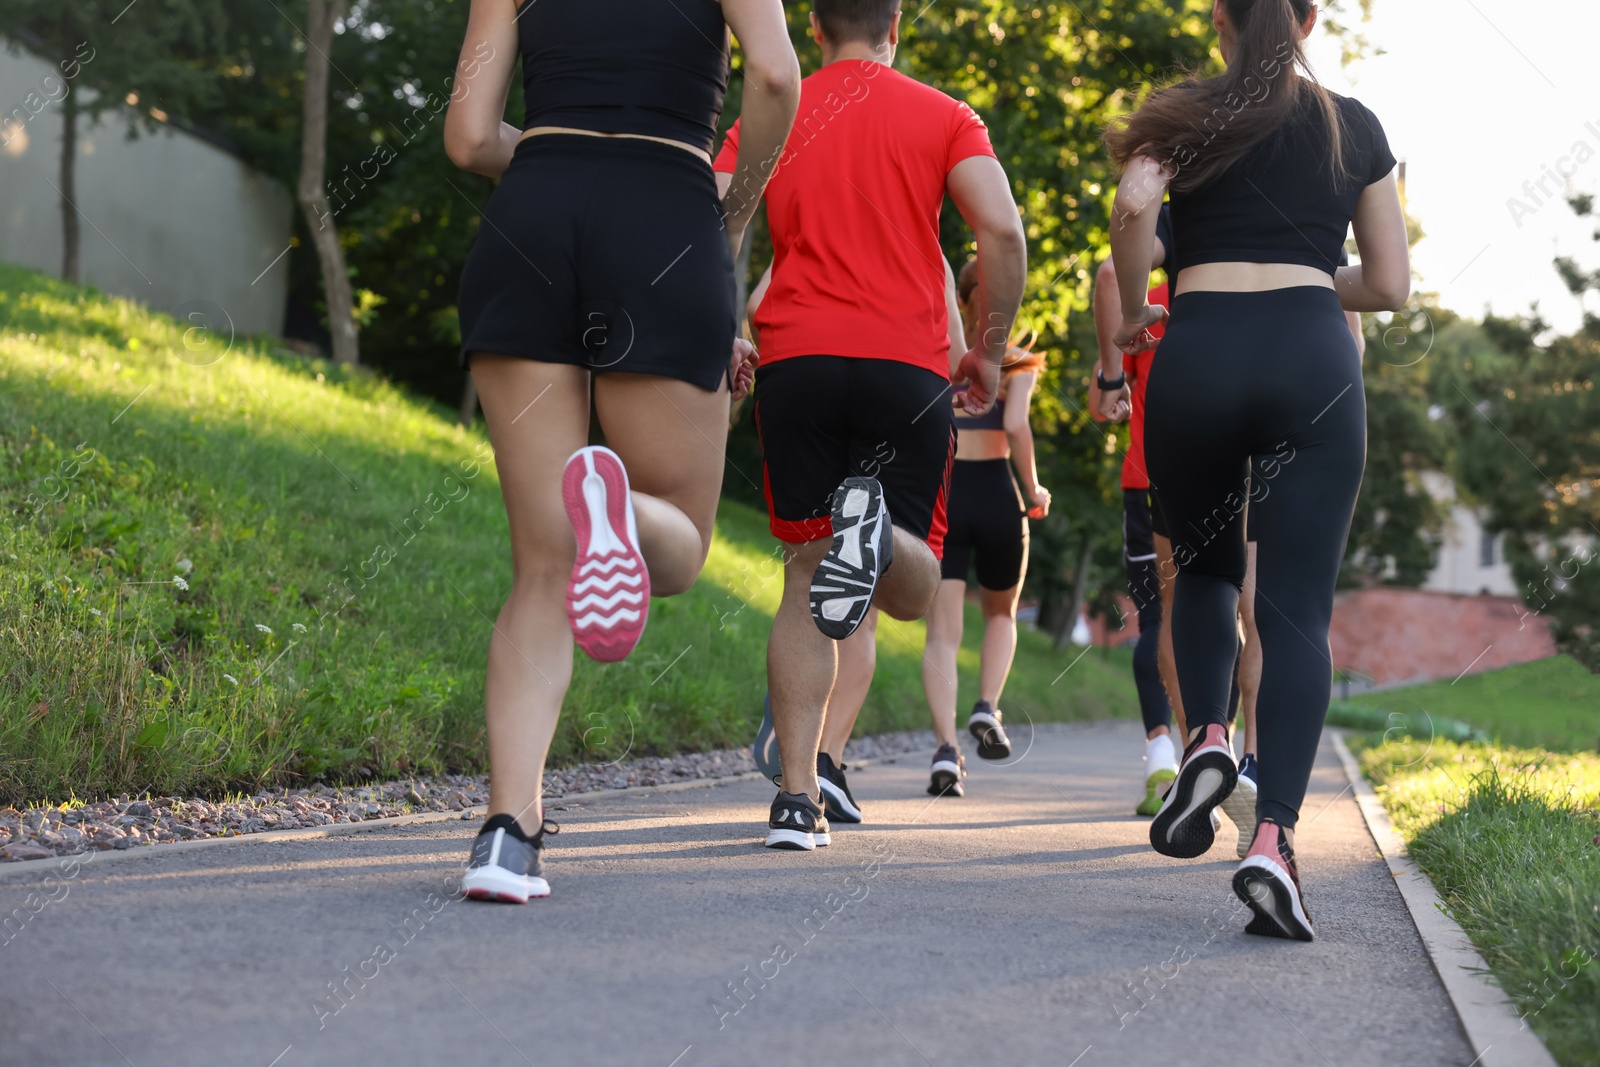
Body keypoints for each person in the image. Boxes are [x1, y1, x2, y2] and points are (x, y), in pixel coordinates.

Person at [442, 0, 800, 902]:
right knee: (678, 543)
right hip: (667, 219)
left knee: (540, 570)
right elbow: (774, 75)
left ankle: (505, 836)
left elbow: (468, 137)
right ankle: (619, 512)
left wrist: (558, 158)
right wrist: (735, 205)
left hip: (532, 216)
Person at [1106, 0, 1408, 939]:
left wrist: (1128, 321)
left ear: (1216, 19)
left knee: (1200, 572)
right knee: (1293, 612)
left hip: (1196, 359)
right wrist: (1317, 278)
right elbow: (1391, 285)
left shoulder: (1178, 118)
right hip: (1313, 363)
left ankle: (1206, 739)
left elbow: (1130, 218)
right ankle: (1272, 838)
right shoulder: (1351, 125)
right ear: (1311, 19)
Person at [714, 0, 1026, 851]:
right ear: (897, 28)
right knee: (911, 588)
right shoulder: (944, 116)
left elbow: (713, 216)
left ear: (814, 29)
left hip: (797, 363)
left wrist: (722, 323)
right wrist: (990, 354)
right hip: (907, 369)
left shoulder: (773, 109)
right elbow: (1000, 229)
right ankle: (880, 538)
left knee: (804, 577)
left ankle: (794, 799)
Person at [919, 260, 1050, 797]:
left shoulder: (940, 351)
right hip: (999, 492)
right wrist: (1035, 488)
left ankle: (946, 752)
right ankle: (987, 707)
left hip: (946, 494)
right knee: (1002, 613)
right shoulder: (1016, 359)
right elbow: (1016, 425)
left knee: (942, 635)